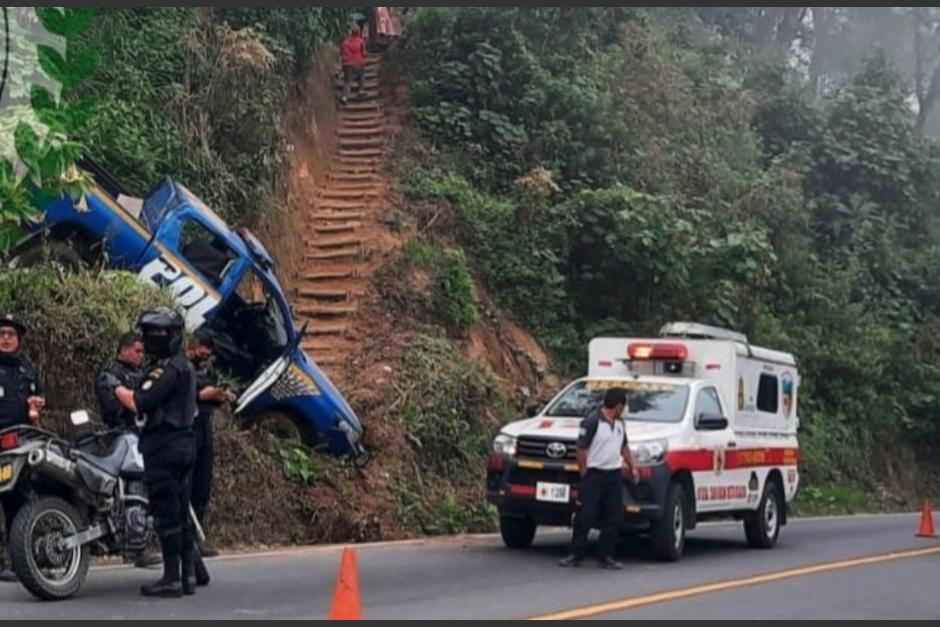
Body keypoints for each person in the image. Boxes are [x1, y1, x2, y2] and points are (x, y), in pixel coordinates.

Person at [114, 308, 206, 597]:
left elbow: (142, 401)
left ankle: (171, 578)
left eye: (157, 334)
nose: (153, 339)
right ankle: (188, 575)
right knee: (181, 510)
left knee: (167, 513)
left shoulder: (168, 369)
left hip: (165, 446)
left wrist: (115, 387)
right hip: (185, 444)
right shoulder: (184, 365)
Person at [559, 387, 639, 569]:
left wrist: (632, 466)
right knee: (585, 515)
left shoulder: (620, 424)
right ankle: (575, 554)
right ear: (618, 406)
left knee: (613, 516)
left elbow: (624, 446)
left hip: (613, 475)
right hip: (594, 474)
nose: (624, 410)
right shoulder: (592, 421)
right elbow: (581, 448)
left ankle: (606, 555)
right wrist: (583, 470)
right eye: (623, 406)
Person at [0, 314, 44, 583]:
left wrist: (37, 407)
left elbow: (38, 400)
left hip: (21, 445)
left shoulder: (28, 368)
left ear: (19, 340)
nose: (5, 338)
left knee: (19, 501)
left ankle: (19, 561)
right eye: (2, 333)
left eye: (10, 334)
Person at [186, 329, 234, 558]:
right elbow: (192, 393)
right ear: (194, 346)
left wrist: (221, 394)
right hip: (187, 428)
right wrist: (209, 393)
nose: (206, 355)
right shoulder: (182, 367)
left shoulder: (206, 369)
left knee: (203, 484)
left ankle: (198, 535)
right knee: (187, 483)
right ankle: (187, 537)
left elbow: (210, 393)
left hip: (204, 427)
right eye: (203, 350)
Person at [96, 332, 144, 430]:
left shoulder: (139, 371)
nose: (141, 355)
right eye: (137, 351)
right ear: (124, 349)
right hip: (120, 431)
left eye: (142, 352)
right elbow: (112, 410)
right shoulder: (111, 373)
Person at [340, 25, 367, 105]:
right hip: (358, 63)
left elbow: (341, 52)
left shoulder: (345, 42)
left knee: (347, 81)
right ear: (359, 33)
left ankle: (344, 97)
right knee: (361, 74)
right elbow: (364, 53)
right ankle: (361, 90)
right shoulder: (361, 41)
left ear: (351, 32)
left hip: (347, 64)